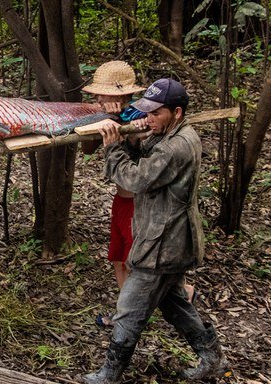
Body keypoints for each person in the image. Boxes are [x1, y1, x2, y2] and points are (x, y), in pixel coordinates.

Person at [86, 79, 227, 383]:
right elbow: (143, 157)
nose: (148, 118)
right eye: (147, 112)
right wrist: (130, 139)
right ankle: (212, 357)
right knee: (174, 303)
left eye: (155, 113)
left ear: (176, 112)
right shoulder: (168, 133)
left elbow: (137, 179)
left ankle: (110, 373)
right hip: (165, 238)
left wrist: (113, 148)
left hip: (164, 244)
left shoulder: (177, 146)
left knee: (129, 306)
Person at [81, 61, 197, 327]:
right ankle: (127, 314)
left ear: (119, 94)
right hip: (121, 200)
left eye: (102, 94)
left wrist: (120, 124)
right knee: (119, 259)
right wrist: (106, 119)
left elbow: (138, 169)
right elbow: (87, 148)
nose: (98, 98)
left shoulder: (143, 117)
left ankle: (144, 311)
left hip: (140, 205)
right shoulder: (110, 116)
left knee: (139, 263)